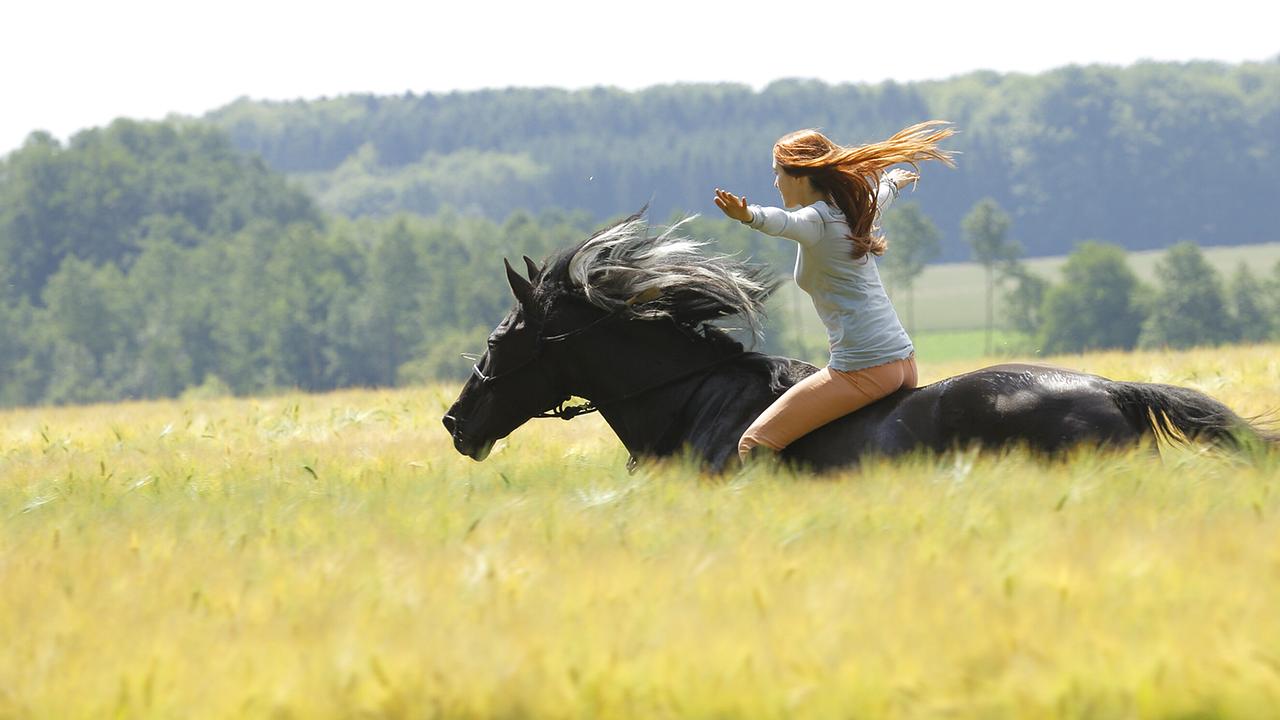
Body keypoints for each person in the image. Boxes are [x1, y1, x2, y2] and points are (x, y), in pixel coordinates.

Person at [713, 121, 955, 463]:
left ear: (799, 175)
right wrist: (893, 183)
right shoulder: (851, 211)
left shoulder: (816, 220)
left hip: (863, 366)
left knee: (753, 444)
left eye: (777, 172)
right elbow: (880, 195)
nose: (775, 182)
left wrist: (747, 216)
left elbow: (783, 222)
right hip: (902, 362)